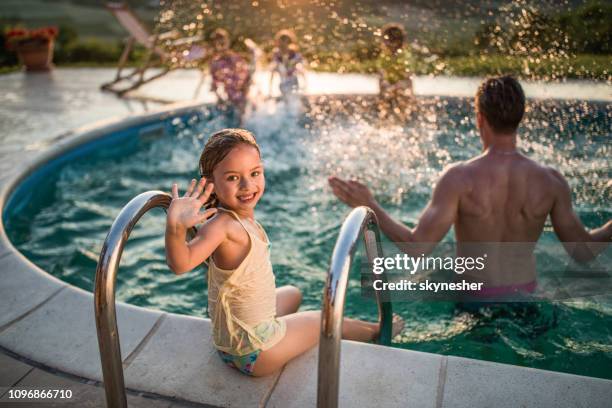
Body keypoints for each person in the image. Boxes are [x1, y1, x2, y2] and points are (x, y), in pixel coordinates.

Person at [329, 76, 611, 297]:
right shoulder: (551, 181)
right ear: (520, 118)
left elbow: (417, 248)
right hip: (525, 296)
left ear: (480, 118)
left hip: (474, 301)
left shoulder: (459, 179)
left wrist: (369, 204)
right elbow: (583, 251)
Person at [165, 129, 404, 377]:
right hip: (255, 353)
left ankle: (282, 332)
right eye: (234, 178)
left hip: (230, 345)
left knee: (292, 294)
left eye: (255, 173)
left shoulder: (236, 220)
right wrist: (175, 227)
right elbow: (181, 264)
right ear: (211, 185)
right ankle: (378, 331)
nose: (248, 185)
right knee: (323, 319)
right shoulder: (222, 226)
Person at [209, 29, 252, 124]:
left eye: (223, 42)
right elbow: (214, 84)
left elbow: (248, 77)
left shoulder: (237, 58)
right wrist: (219, 98)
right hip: (230, 99)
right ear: (215, 45)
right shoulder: (215, 63)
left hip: (243, 96)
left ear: (228, 41)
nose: (221, 45)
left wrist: (245, 90)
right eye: (218, 43)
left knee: (242, 123)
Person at [376, 23, 415, 122]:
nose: (391, 45)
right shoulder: (384, 56)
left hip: (402, 85)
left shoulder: (405, 55)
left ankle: (404, 115)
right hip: (388, 86)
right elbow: (381, 72)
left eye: (393, 42)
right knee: (383, 85)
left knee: (404, 89)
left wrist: (397, 86)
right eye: (388, 42)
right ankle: (384, 114)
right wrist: (385, 82)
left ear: (400, 42)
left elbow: (408, 75)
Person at [268, 29, 306, 100]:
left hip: (293, 84)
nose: (282, 45)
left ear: (288, 43)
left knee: (292, 100)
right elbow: (273, 71)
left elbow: (302, 69)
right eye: (280, 42)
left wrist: (305, 86)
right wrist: (270, 90)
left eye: (285, 42)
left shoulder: (294, 54)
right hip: (283, 85)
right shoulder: (277, 55)